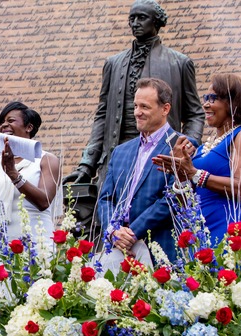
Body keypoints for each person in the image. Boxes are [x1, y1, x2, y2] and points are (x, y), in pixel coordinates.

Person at [64, 0, 205, 227]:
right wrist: (86, 164)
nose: (135, 23)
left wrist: (186, 145)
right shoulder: (113, 63)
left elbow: (196, 114)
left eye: (142, 18)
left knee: (153, 226)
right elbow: (102, 115)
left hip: (159, 158)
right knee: (107, 224)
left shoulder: (180, 63)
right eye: (132, 18)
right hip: (117, 156)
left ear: (156, 22)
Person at [153, 73, 241, 246]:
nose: (205, 104)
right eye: (205, 98)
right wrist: (180, 175)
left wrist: (194, 173)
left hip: (231, 229)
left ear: (233, 102)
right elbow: (187, 203)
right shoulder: (203, 148)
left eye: (213, 98)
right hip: (202, 231)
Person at [97, 78, 191, 263]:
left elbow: (173, 198)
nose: (137, 113)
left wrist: (133, 232)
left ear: (165, 109)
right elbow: (106, 198)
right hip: (118, 250)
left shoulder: (180, 145)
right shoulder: (121, 151)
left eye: (145, 107)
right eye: (135, 106)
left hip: (158, 249)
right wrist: (114, 231)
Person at [0, 102, 61, 269]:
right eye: (2, 122)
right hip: (1, 249)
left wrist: (13, 174)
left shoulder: (46, 160)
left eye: (10, 120)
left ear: (29, 127)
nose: (4, 125)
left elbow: (44, 201)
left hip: (37, 245)